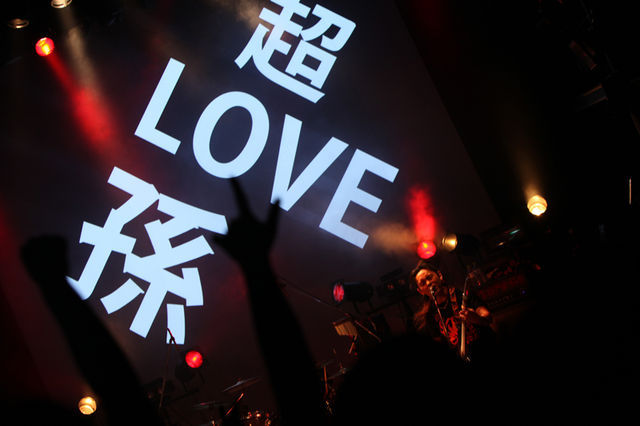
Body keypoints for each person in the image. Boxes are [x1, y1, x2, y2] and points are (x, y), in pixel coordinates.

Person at [411, 259, 495, 364]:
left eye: (429, 277)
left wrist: (476, 318)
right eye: (423, 283)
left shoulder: (461, 294)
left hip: (488, 349)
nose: (428, 283)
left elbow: (488, 318)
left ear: (439, 275)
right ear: (420, 291)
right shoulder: (429, 315)